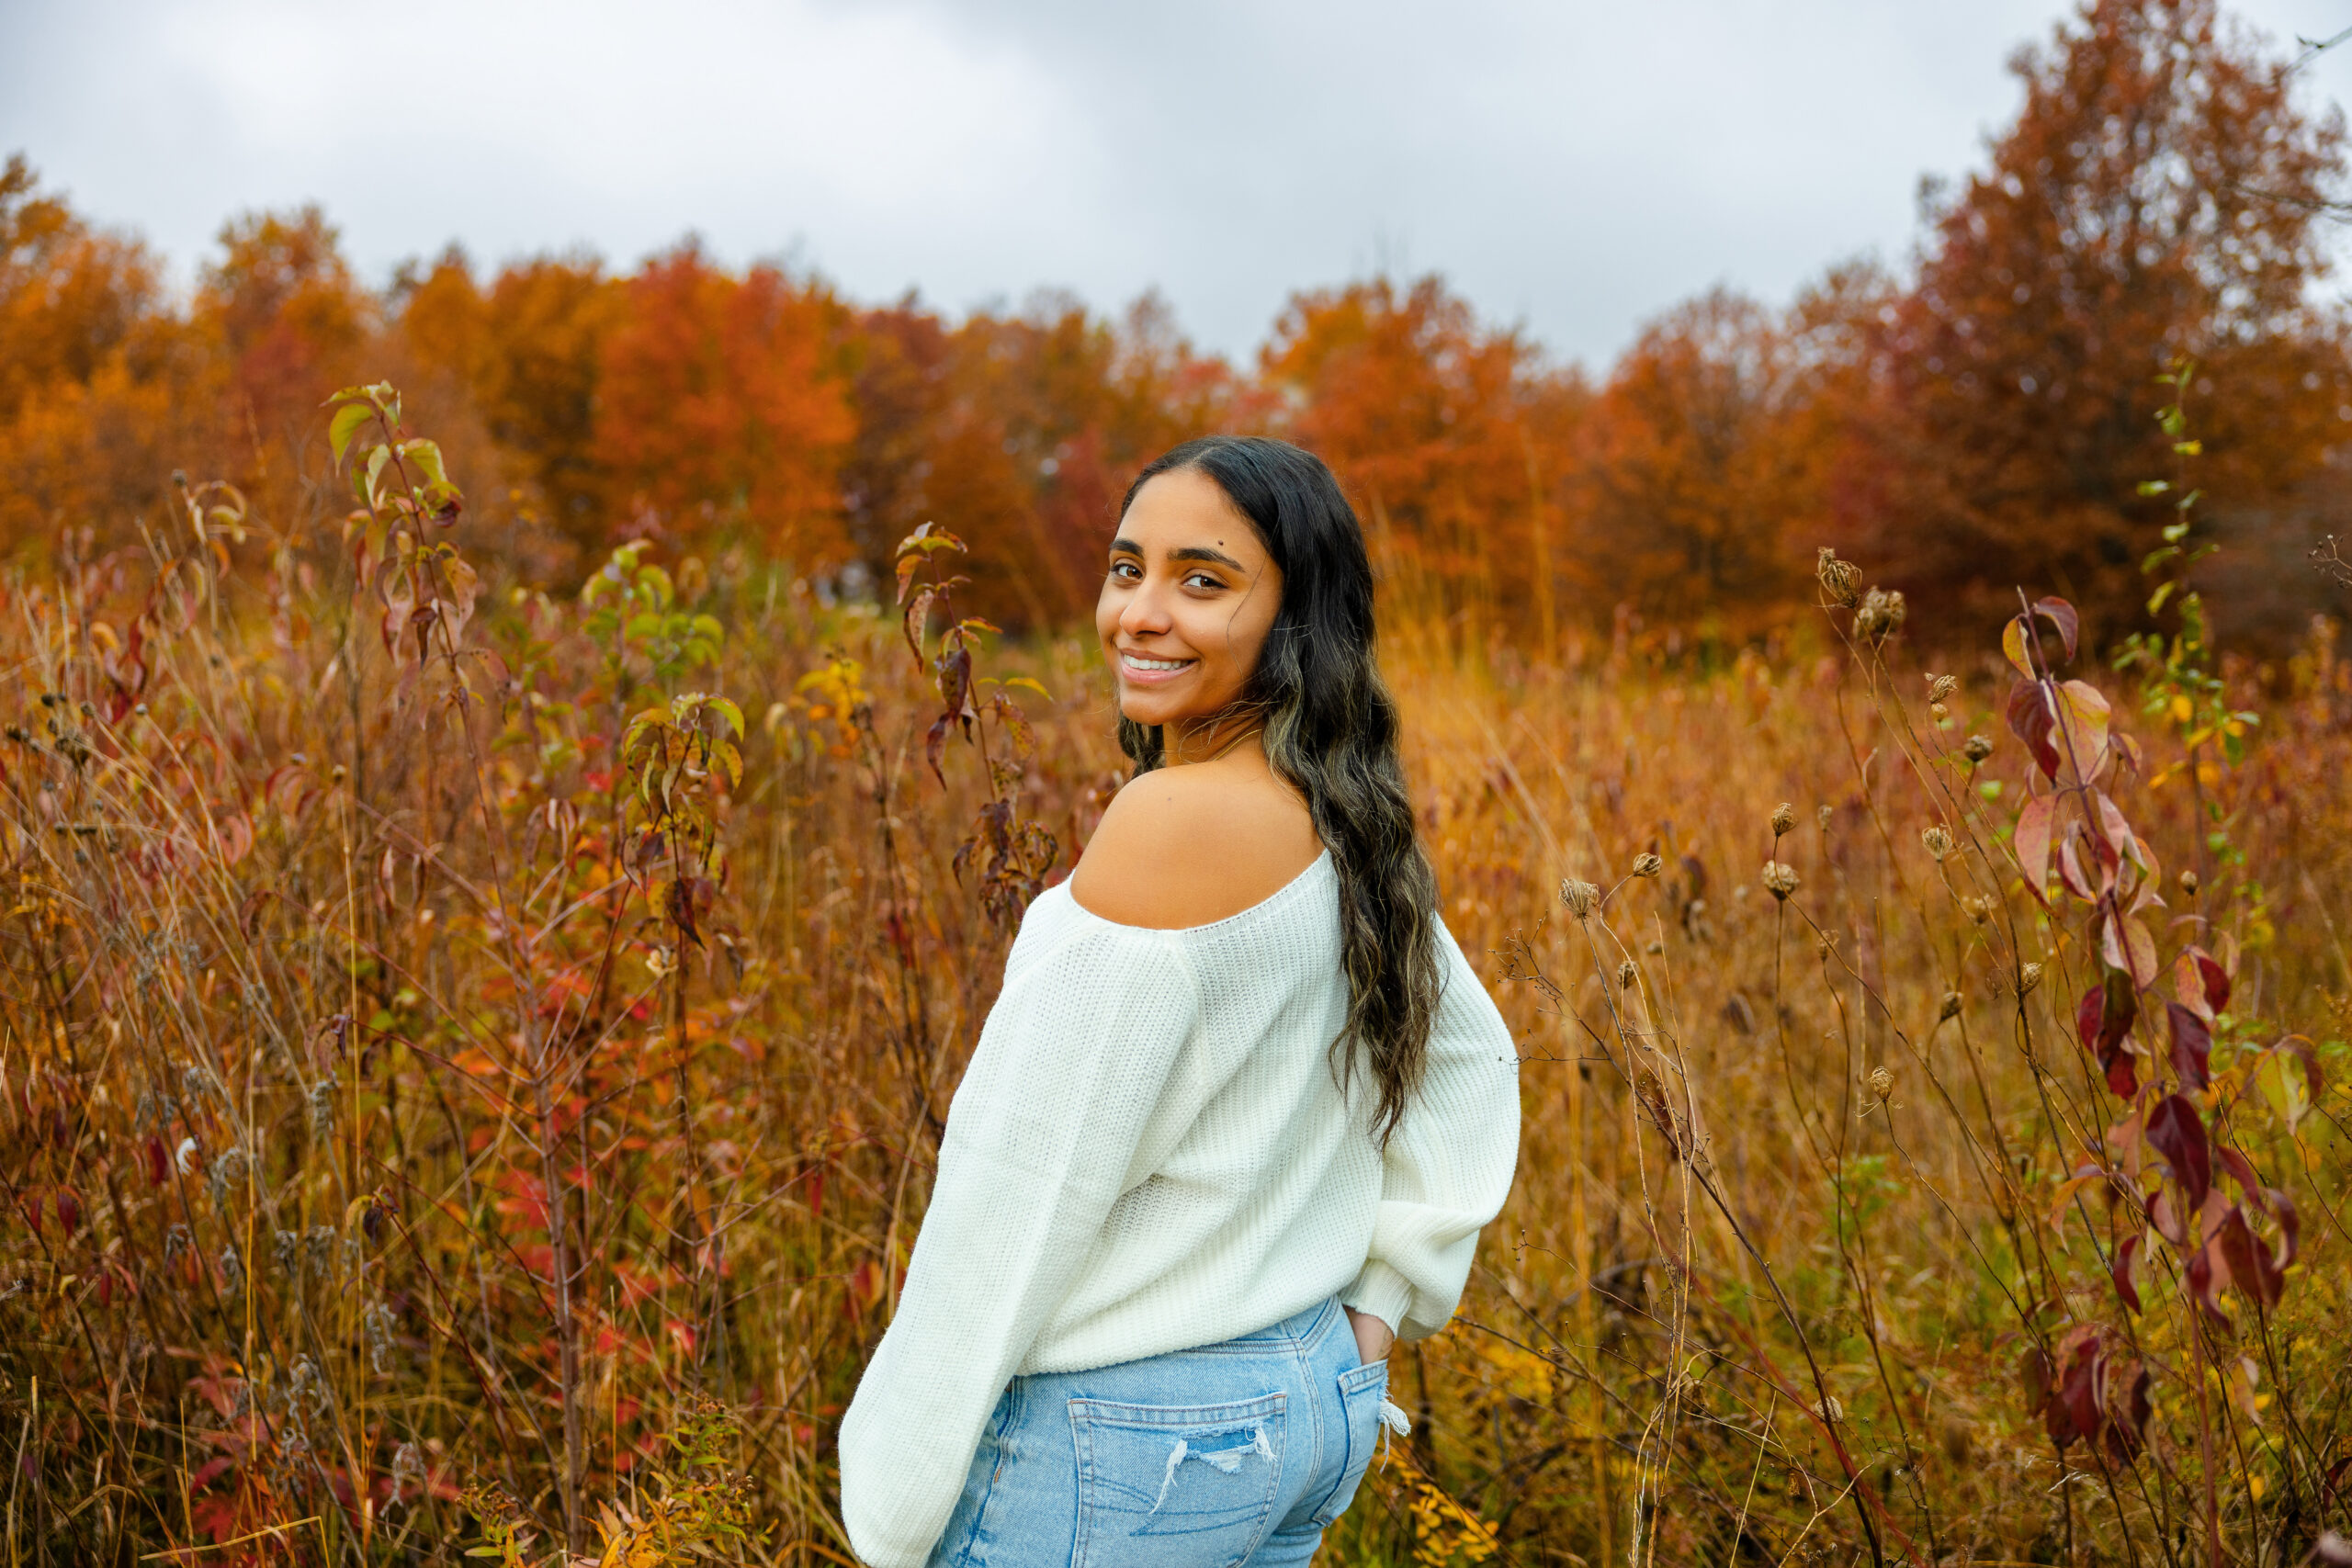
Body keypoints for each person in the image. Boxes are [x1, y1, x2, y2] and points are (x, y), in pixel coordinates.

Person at [838, 435, 1522, 1566]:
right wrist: (1378, 1307)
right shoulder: (1341, 814)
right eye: (1126, 568)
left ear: (1293, 619)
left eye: (1203, 581)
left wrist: (895, 1503)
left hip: (1119, 1441)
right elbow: (1468, 1063)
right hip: (1302, 1398)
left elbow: (1021, 1189)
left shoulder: (1169, 823)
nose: (1141, 614)